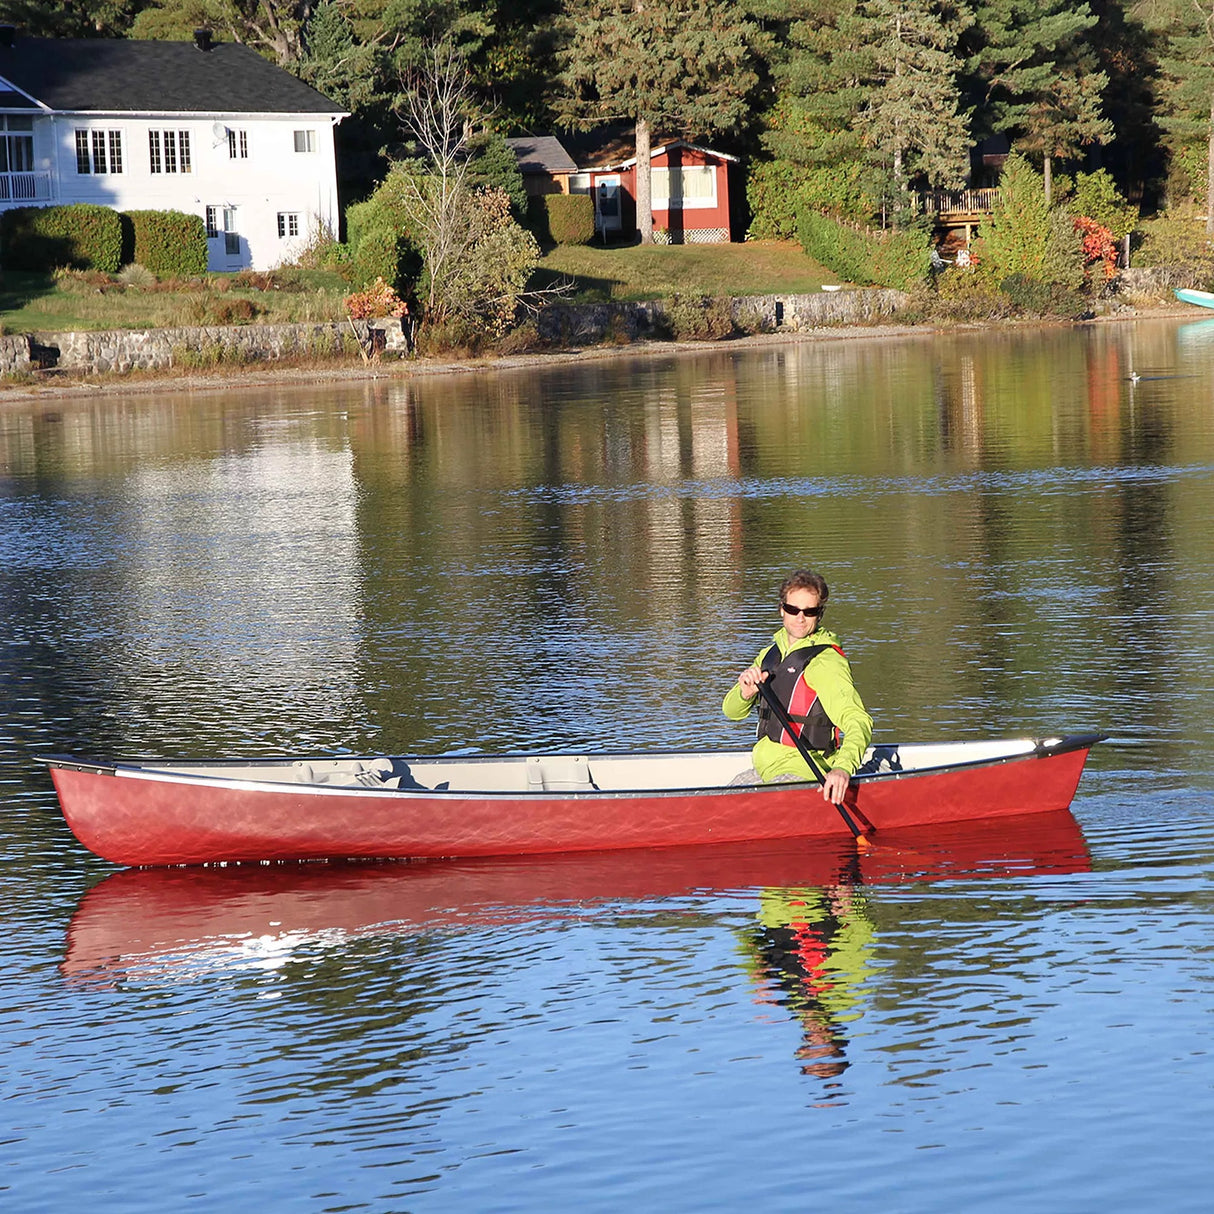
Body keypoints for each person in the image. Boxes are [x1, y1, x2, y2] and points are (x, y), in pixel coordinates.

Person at [723, 569, 873, 804]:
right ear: (782, 609)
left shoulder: (825, 662)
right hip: (765, 768)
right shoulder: (770, 654)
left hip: (804, 772)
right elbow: (731, 712)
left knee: (734, 810)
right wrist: (745, 694)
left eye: (809, 611)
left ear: (819, 614)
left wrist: (842, 768)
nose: (800, 618)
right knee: (720, 802)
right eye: (793, 609)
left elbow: (858, 720)